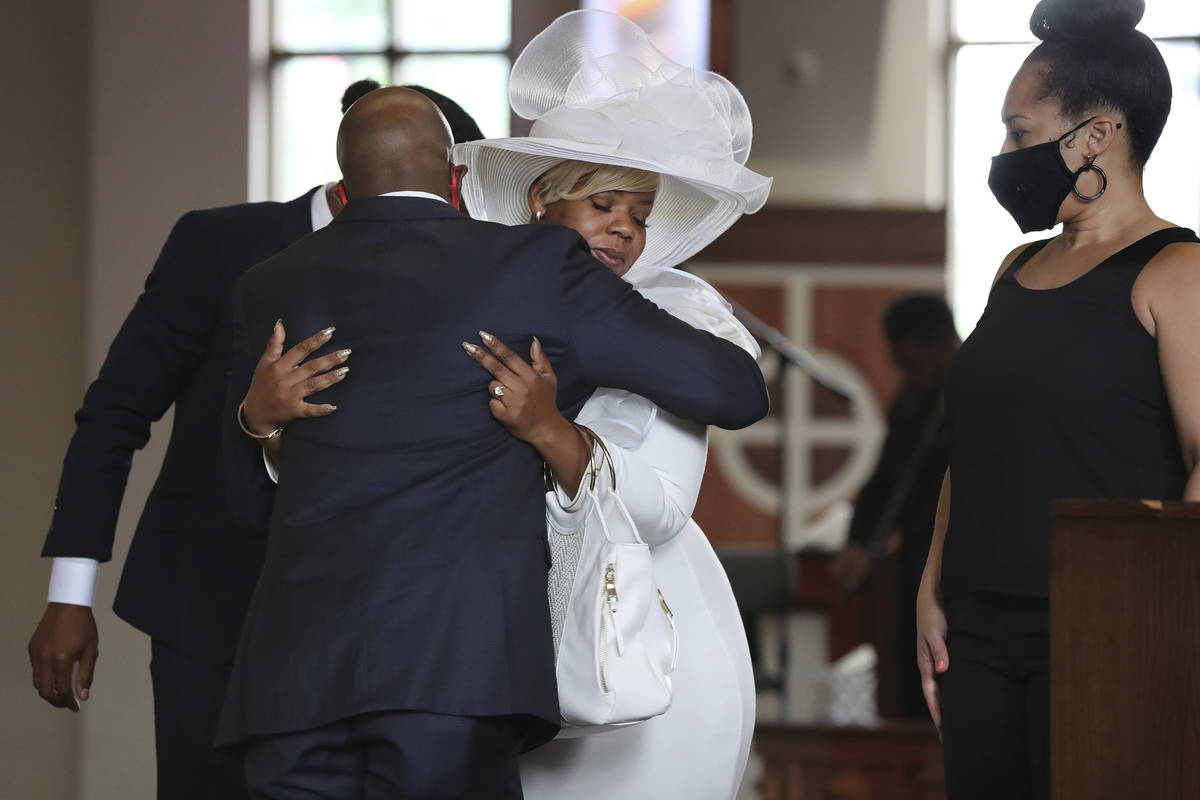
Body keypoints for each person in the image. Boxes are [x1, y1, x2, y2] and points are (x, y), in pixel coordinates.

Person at [216, 86, 769, 798]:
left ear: (342, 190)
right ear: (454, 182)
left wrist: (256, 423)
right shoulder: (532, 269)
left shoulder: (268, 284)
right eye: (604, 206)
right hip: (457, 666)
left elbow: (244, 507)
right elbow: (734, 391)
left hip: (290, 678)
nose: (624, 231)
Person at [25, 80, 481, 799]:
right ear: (356, 178)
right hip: (212, 605)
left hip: (376, 632)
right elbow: (116, 411)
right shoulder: (217, 245)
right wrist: (69, 593)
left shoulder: (457, 265)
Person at [915, 2, 1200, 798]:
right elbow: (968, 448)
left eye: (1019, 130)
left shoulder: (1176, 271)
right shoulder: (1014, 269)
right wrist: (931, 590)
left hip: (1107, 623)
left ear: (1096, 136)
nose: (1005, 155)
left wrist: (1166, 625)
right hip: (974, 625)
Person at [829, 293, 958, 719]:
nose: (906, 377)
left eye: (913, 365)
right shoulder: (909, 404)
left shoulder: (970, 394)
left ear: (943, 345)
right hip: (914, 560)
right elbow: (886, 482)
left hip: (960, 564)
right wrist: (858, 542)